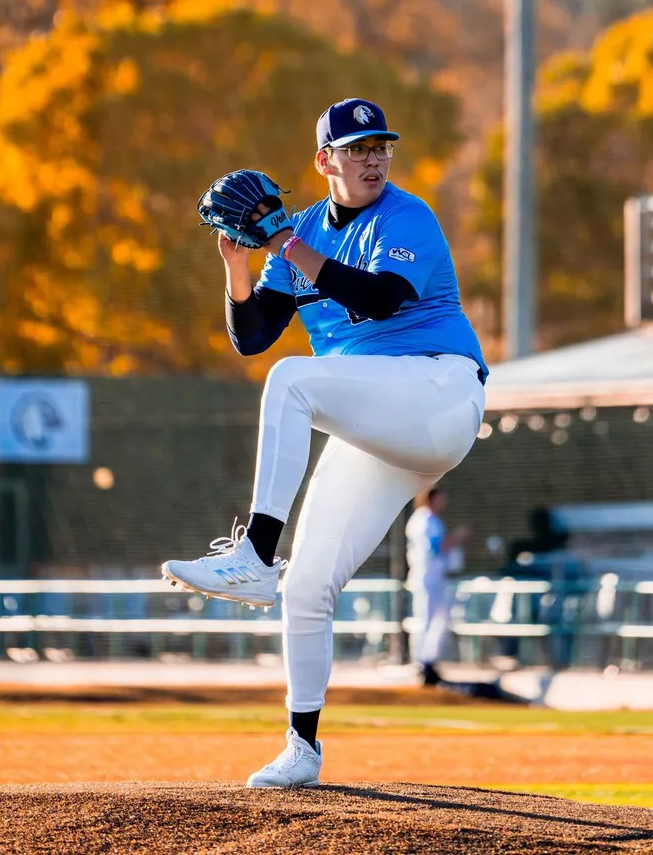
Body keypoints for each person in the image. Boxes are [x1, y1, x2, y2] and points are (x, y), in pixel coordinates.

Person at [161, 97, 487, 788]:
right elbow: (252, 336)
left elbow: (380, 302)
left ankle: (253, 550)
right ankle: (301, 747)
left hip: (437, 393)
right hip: (378, 422)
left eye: (381, 147)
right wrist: (237, 265)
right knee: (307, 585)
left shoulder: (407, 216)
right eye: (358, 147)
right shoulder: (304, 227)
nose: (374, 158)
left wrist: (283, 244)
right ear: (324, 161)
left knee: (293, 381)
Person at [405, 485, 469, 686]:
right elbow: (435, 547)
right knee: (425, 619)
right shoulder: (423, 520)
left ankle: (430, 661)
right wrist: (457, 537)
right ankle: (421, 664)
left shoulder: (433, 520)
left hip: (437, 577)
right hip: (426, 577)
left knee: (441, 619)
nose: (443, 503)